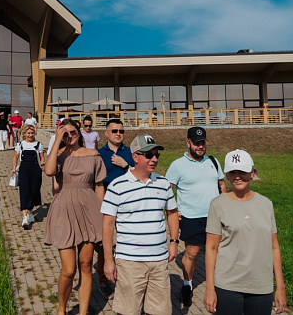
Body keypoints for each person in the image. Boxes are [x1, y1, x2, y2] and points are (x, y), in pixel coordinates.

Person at [101, 134, 179, 315]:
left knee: (160, 311)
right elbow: (107, 224)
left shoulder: (163, 184)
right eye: (149, 155)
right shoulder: (117, 186)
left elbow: (172, 213)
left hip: (159, 261)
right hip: (129, 262)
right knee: (128, 311)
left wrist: (174, 241)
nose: (154, 159)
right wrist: (108, 260)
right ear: (135, 157)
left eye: (156, 155)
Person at [204, 149, 287, 315]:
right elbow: (211, 248)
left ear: (252, 172)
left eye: (242, 171)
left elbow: (274, 247)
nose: (237, 176)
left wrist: (280, 287)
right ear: (226, 174)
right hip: (227, 286)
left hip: (261, 287)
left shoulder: (266, 204)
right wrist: (210, 288)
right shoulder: (217, 204)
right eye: (232, 172)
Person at [43, 119, 106, 315]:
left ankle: (83, 312)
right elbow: (49, 171)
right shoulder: (59, 155)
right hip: (65, 208)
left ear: (80, 133)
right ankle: (61, 309)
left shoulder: (93, 154)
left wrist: (103, 214)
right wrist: (56, 142)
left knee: (86, 265)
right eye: (65, 133)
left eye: (73, 132)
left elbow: (98, 185)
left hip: (90, 209)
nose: (69, 136)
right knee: (69, 270)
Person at [165, 126, 227, 306]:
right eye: (196, 143)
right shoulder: (177, 165)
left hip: (215, 216)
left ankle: (218, 285)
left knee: (219, 253)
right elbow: (167, 190)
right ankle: (187, 284)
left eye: (202, 143)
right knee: (192, 254)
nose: (200, 147)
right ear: (188, 143)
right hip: (191, 217)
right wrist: (174, 211)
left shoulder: (213, 162)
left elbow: (222, 184)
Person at [96, 118, 135, 298]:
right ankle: (104, 280)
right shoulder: (98, 154)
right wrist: (102, 207)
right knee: (107, 243)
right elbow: (96, 182)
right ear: (106, 133)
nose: (118, 133)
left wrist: (125, 165)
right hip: (107, 204)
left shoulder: (130, 152)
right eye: (114, 131)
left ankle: (126, 278)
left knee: (128, 242)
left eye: (121, 131)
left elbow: (140, 173)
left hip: (129, 203)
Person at [11, 125, 45, 229]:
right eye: (28, 133)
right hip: (24, 170)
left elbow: (42, 158)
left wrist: (42, 166)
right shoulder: (20, 144)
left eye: (32, 133)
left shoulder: (38, 145)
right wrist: (13, 168)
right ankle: (25, 218)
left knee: (34, 191)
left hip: (35, 170)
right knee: (24, 191)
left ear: (34, 133)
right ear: (24, 134)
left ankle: (30, 212)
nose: (30, 135)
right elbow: (15, 157)